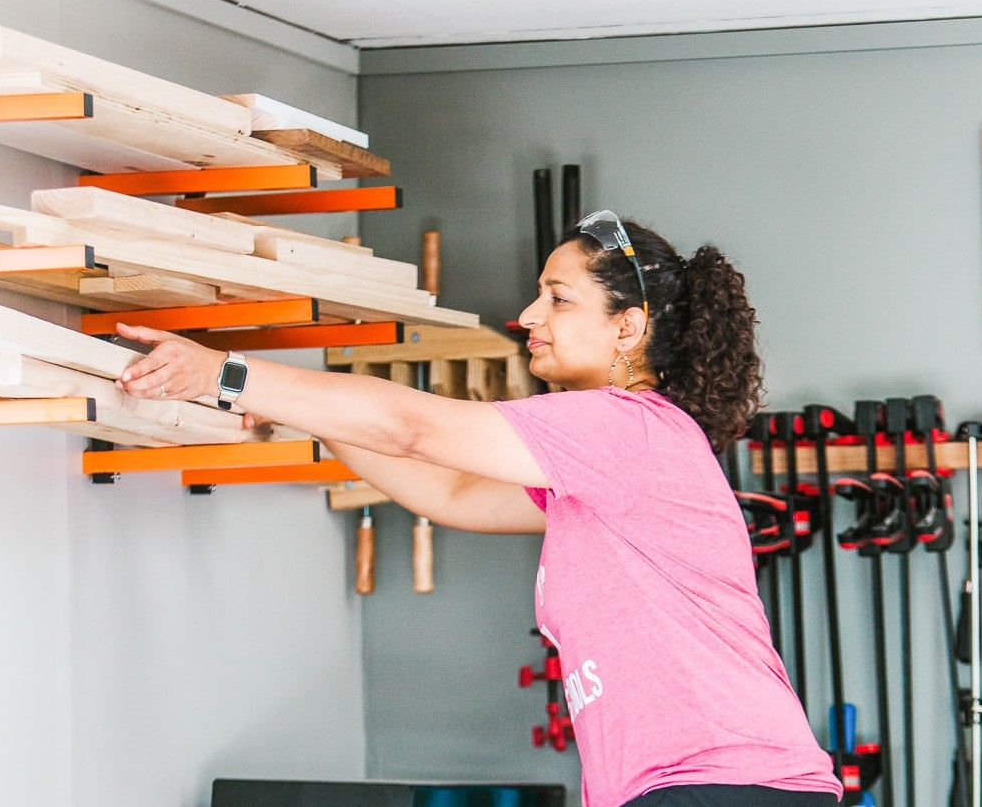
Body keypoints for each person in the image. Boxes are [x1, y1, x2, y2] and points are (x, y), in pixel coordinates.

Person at [115, 210, 843, 807]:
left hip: (718, 782)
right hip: (699, 786)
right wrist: (298, 409)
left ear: (628, 328)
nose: (529, 315)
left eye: (558, 298)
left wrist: (226, 374)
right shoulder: (604, 462)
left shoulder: (626, 426)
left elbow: (414, 426)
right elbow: (449, 492)